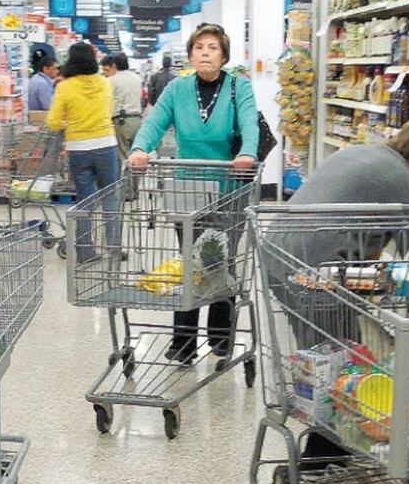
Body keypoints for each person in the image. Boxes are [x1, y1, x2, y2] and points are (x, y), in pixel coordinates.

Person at [271, 115, 409, 462]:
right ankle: (319, 458)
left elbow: (362, 227)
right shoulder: (402, 182)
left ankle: (332, 448)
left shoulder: (364, 154)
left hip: (280, 254)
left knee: (328, 357)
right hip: (314, 270)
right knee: (340, 366)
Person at [128, 23, 258, 364]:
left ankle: (220, 339)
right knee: (191, 261)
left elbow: (249, 124)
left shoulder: (238, 87)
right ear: (190, 54)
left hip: (229, 184)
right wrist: (141, 147)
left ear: (224, 55)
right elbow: (155, 122)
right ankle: (183, 343)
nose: (205, 52)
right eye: (199, 46)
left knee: (221, 259)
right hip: (187, 182)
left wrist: (247, 153)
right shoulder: (176, 89)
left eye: (213, 47)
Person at [46, 42, 120, 263]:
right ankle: (114, 248)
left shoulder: (64, 87)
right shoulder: (105, 83)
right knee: (110, 197)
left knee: (85, 200)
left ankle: (86, 252)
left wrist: (71, 122)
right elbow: (109, 111)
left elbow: (53, 122)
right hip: (106, 144)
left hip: (79, 148)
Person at [108, 52, 143, 157]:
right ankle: (137, 173)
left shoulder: (111, 81)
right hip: (137, 119)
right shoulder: (138, 79)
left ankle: (125, 173)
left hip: (120, 121)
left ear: (114, 65)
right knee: (136, 153)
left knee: (123, 154)